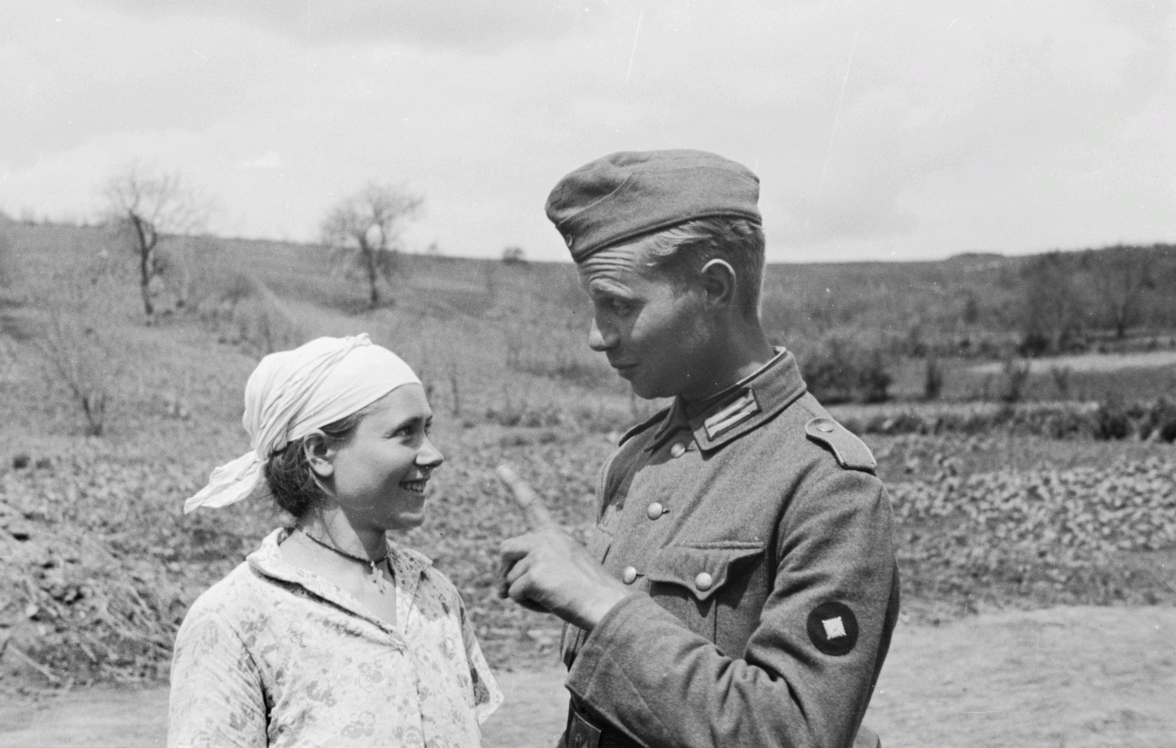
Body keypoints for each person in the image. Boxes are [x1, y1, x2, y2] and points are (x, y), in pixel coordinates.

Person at [497, 149, 899, 748]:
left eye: (619, 304)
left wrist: (600, 601)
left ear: (714, 286)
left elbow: (792, 733)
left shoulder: (827, 486)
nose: (595, 337)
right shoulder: (635, 459)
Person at [169, 334, 501, 748]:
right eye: (405, 433)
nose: (433, 454)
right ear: (321, 452)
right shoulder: (235, 618)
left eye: (427, 429)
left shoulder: (436, 596)